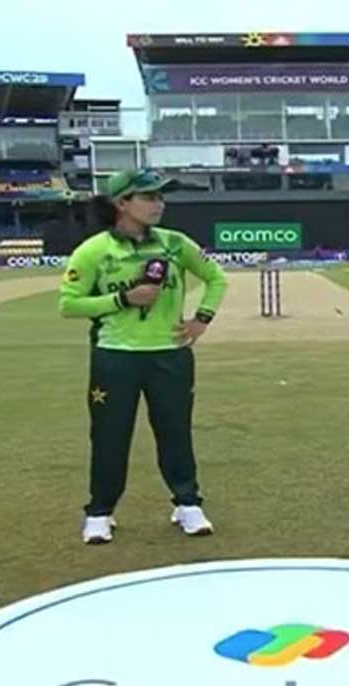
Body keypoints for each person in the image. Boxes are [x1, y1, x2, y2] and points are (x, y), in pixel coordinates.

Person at [59, 169, 228, 545]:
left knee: (175, 433)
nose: (158, 204)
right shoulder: (94, 251)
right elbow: (69, 304)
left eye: (160, 197)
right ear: (122, 203)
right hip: (115, 357)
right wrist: (122, 299)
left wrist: (201, 319)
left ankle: (187, 504)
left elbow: (216, 278)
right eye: (148, 197)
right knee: (109, 436)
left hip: (170, 356)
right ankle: (100, 512)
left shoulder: (174, 244)